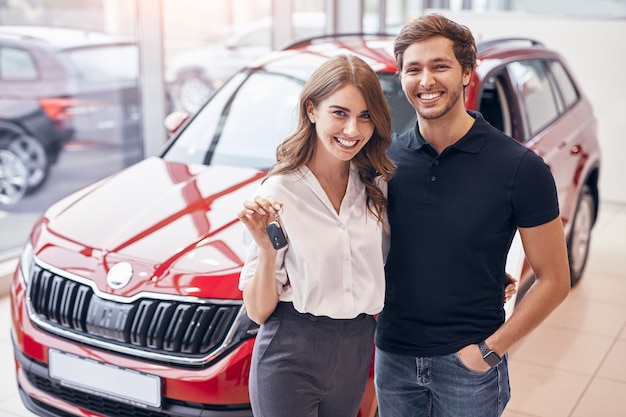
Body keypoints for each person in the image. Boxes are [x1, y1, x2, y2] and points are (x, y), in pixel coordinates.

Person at [373, 13, 571, 417]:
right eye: (414, 69)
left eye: (439, 66)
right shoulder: (384, 162)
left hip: (470, 365)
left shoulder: (520, 168)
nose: (426, 81)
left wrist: (489, 351)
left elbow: (554, 280)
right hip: (392, 359)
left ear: (467, 71)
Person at [237, 54, 395, 417]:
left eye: (365, 116)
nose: (353, 130)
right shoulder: (278, 192)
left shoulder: (375, 186)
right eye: (340, 113)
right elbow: (259, 312)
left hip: (356, 348)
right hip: (291, 352)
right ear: (312, 110)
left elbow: (402, 260)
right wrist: (264, 249)